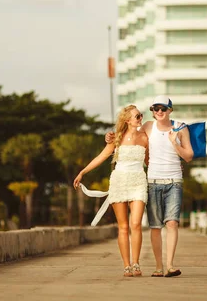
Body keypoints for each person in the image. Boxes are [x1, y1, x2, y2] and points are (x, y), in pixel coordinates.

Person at [106, 95, 193, 277]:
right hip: (152, 181)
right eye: (155, 109)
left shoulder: (180, 127)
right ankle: (158, 267)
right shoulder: (147, 128)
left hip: (174, 180)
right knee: (155, 226)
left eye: (163, 108)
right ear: (153, 112)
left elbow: (189, 156)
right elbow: (133, 142)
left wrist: (174, 144)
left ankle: (169, 265)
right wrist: (110, 137)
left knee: (171, 223)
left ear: (170, 110)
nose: (159, 112)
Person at [73, 105, 148, 277]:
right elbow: (101, 157)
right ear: (128, 120)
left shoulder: (145, 137)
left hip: (138, 182)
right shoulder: (116, 139)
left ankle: (136, 263)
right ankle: (126, 265)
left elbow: (150, 161)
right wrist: (82, 172)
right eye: (137, 116)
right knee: (123, 227)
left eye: (141, 115)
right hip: (119, 182)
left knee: (135, 224)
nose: (140, 118)